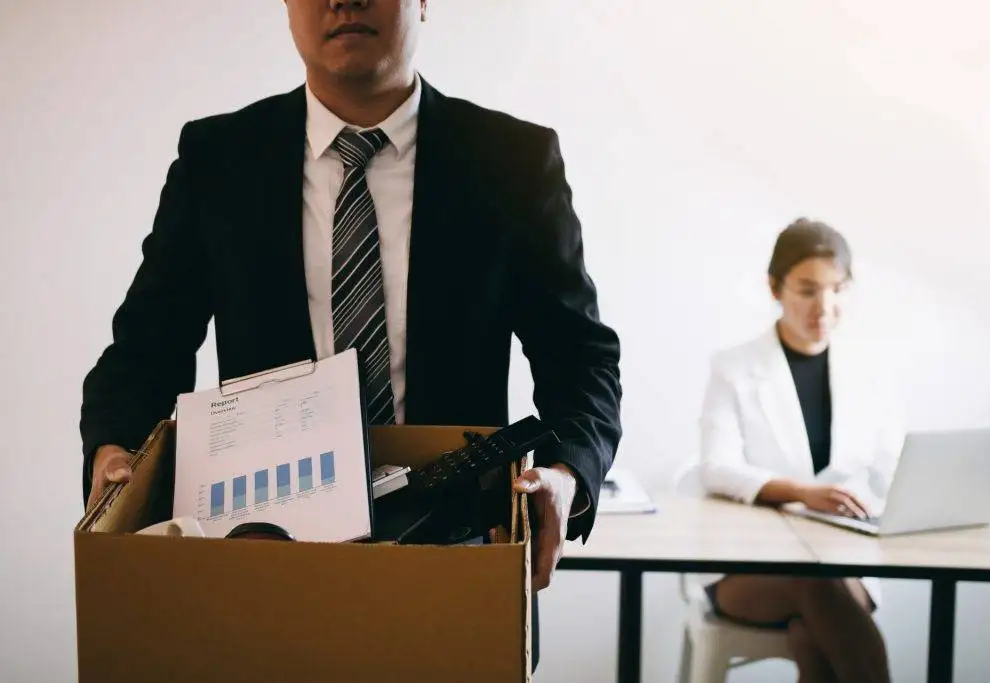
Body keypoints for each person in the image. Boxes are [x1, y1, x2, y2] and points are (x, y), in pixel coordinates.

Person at [79, 0, 623, 669]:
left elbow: (581, 357)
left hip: (455, 559)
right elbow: (144, 349)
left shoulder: (511, 159)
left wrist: (568, 472)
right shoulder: (218, 160)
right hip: (261, 567)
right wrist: (114, 451)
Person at [696, 218, 903, 683]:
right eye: (808, 290)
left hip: (843, 560)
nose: (824, 307)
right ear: (775, 288)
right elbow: (716, 468)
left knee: (815, 629)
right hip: (746, 569)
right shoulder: (733, 368)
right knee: (816, 585)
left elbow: (894, 467)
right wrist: (801, 492)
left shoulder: (868, 371)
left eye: (837, 289)